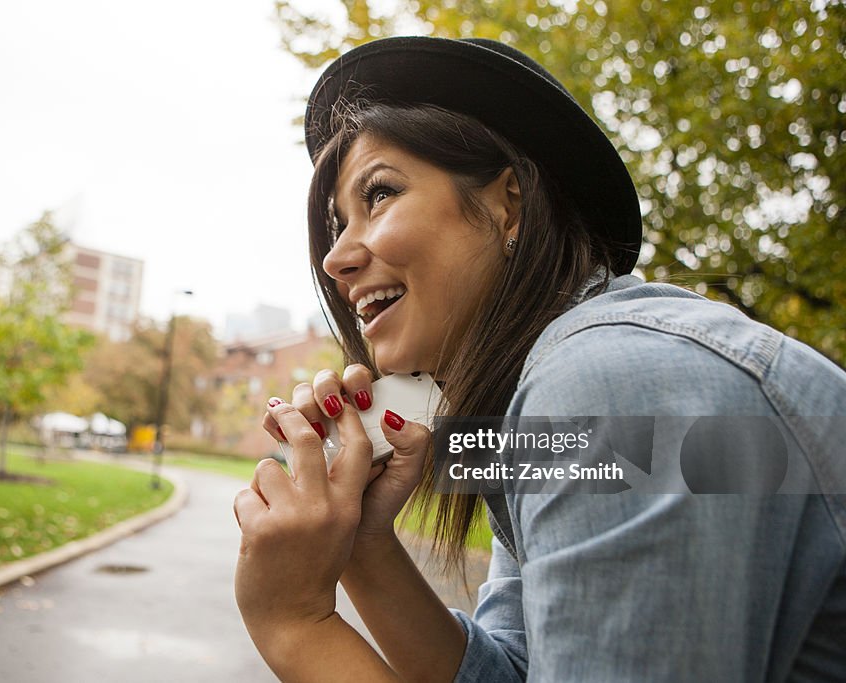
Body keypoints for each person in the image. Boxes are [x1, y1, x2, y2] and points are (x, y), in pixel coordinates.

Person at [232, 36, 846, 681]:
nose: (336, 259)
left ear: (508, 201)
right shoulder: (541, 415)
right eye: (337, 225)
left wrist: (294, 623)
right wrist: (363, 540)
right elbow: (520, 670)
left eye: (379, 196)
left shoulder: (609, 385)